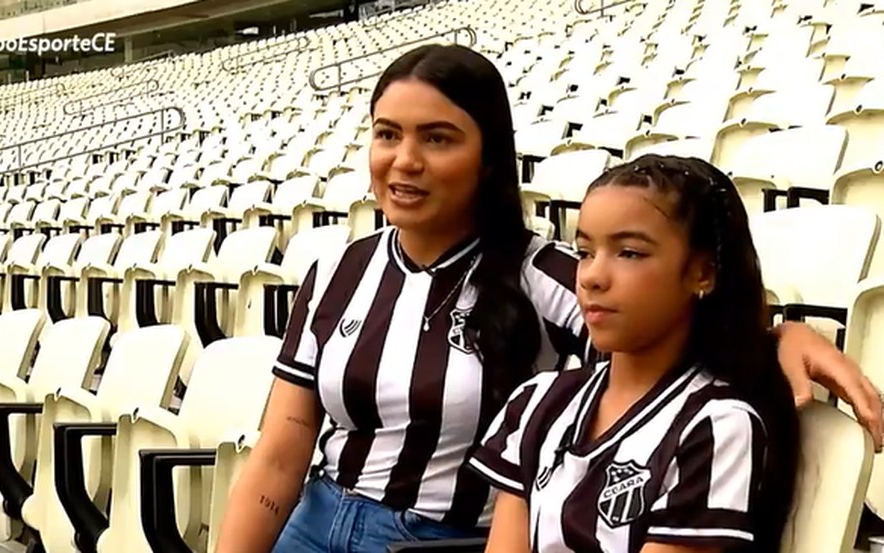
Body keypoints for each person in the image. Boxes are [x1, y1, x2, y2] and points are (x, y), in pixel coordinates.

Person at [216, 44, 882, 553]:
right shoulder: (334, 272)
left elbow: (669, 336)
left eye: (437, 138)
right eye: (387, 133)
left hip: (437, 540)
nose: (404, 160)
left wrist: (783, 335)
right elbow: (280, 452)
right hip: (312, 519)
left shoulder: (548, 274)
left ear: (488, 156)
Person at [470, 154, 798, 553]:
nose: (592, 276)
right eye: (586, 251)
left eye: (629, 253)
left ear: (703, 273)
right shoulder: (539, 401)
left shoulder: (716, 426)